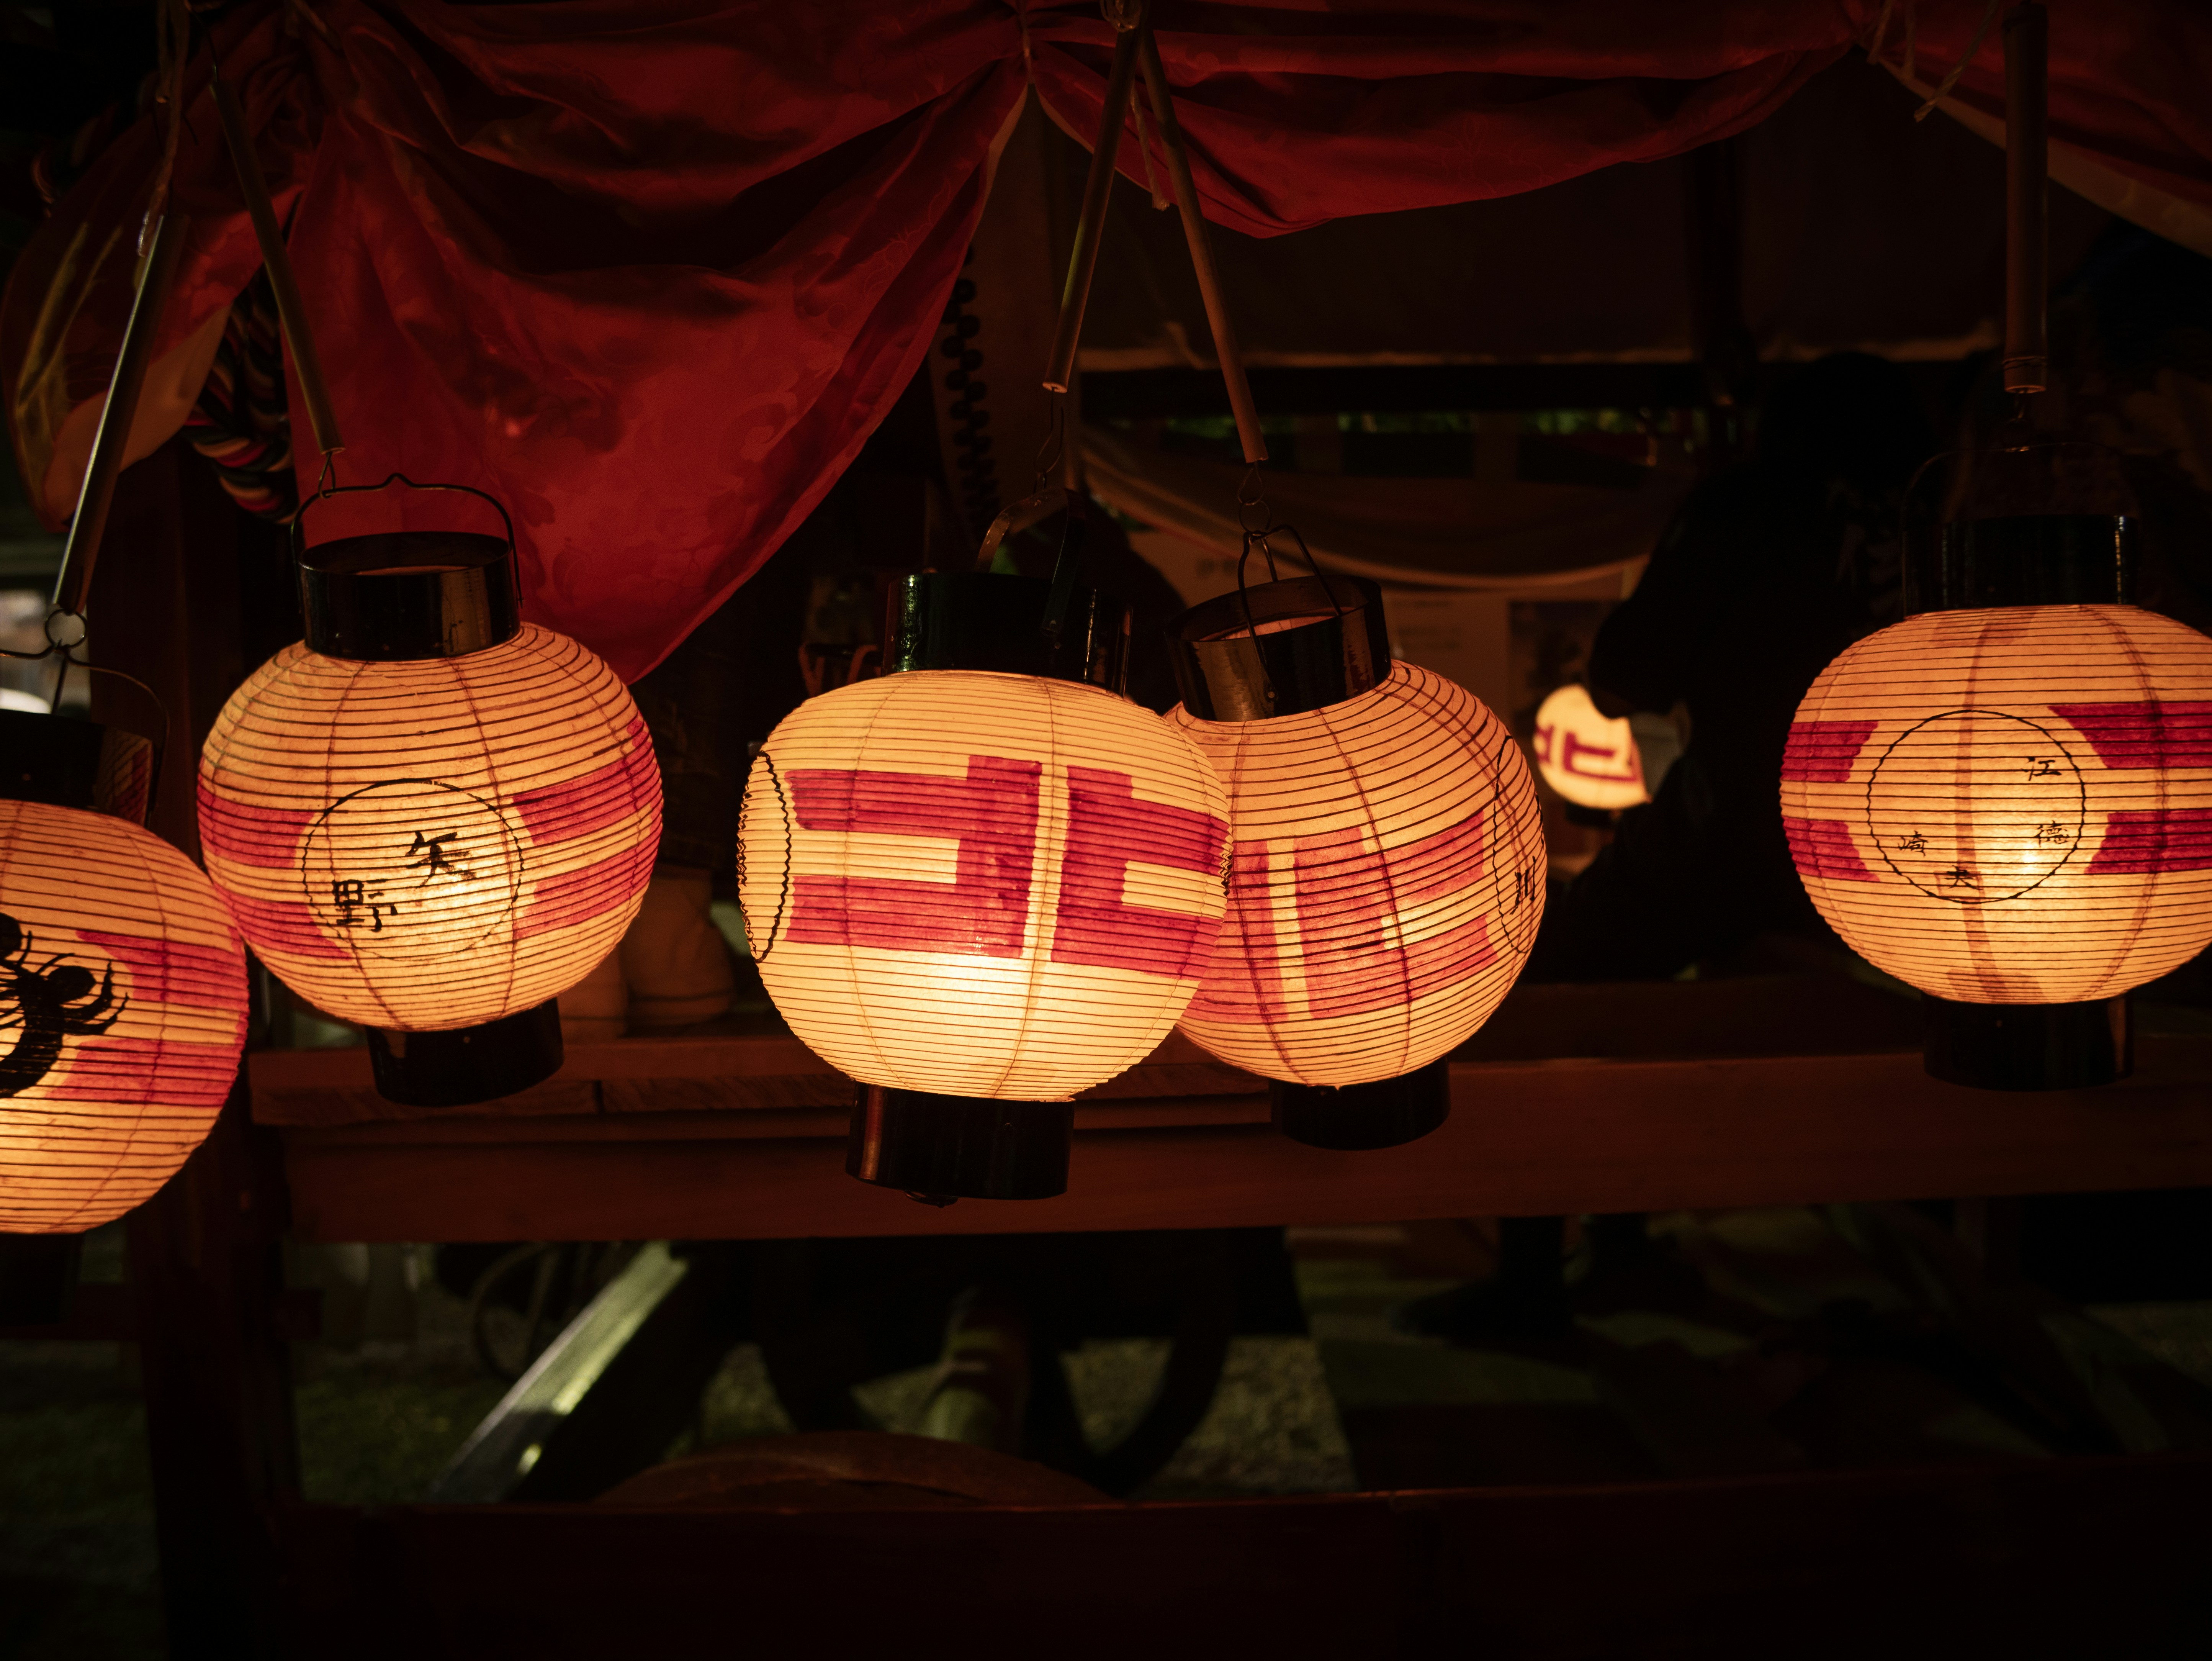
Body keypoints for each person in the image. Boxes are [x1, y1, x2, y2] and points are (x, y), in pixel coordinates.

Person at [1527, 352, 1934, 981]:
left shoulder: (1747, 505)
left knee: (1554, 960)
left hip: (1740, 831)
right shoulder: (1943, 518)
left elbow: (1621, 681)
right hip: (1919, 837)